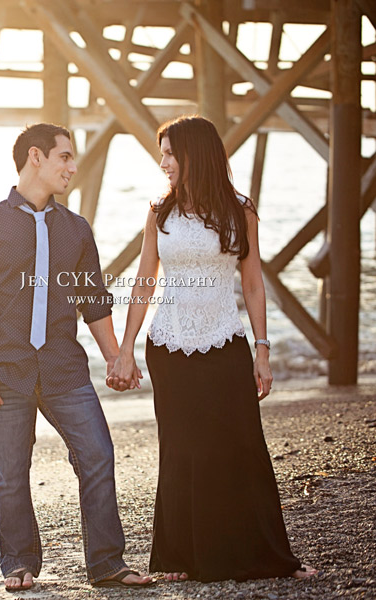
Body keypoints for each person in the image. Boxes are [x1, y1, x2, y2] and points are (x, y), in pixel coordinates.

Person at [108, 115, 317, 583]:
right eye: (161, 154)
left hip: (225, 342)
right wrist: (126, 349)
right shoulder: (159, 212)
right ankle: (181, 558)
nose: (163, 163)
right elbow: (145, 281)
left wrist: (262, 350)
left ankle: (268, 556)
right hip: (169, 345)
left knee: (240, 447)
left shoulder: (240, 210)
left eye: (169, 153)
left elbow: (253, 284)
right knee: (182, 450)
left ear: (194, 154)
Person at [0, 123, 152, 592]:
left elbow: (94, 300)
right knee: (10, 471)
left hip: (66, 368)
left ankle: (107, 564)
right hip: (8, 370)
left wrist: (116, 358)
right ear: (36, 157)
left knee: (98, 455)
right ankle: (19, 564)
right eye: (64, 157)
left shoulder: (76, 229)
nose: (72, 166)